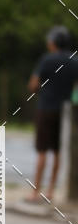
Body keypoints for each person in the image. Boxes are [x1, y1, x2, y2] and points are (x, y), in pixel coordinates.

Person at [27, 25, 78, 203]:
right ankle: (50, 191)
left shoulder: (46, 60)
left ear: (53, 42)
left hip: (46, 108)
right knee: (57, 151)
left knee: (42, 151)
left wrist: (41, 90)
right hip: (65, 113)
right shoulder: (74, 61)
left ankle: (35, 192)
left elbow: (33, 85)